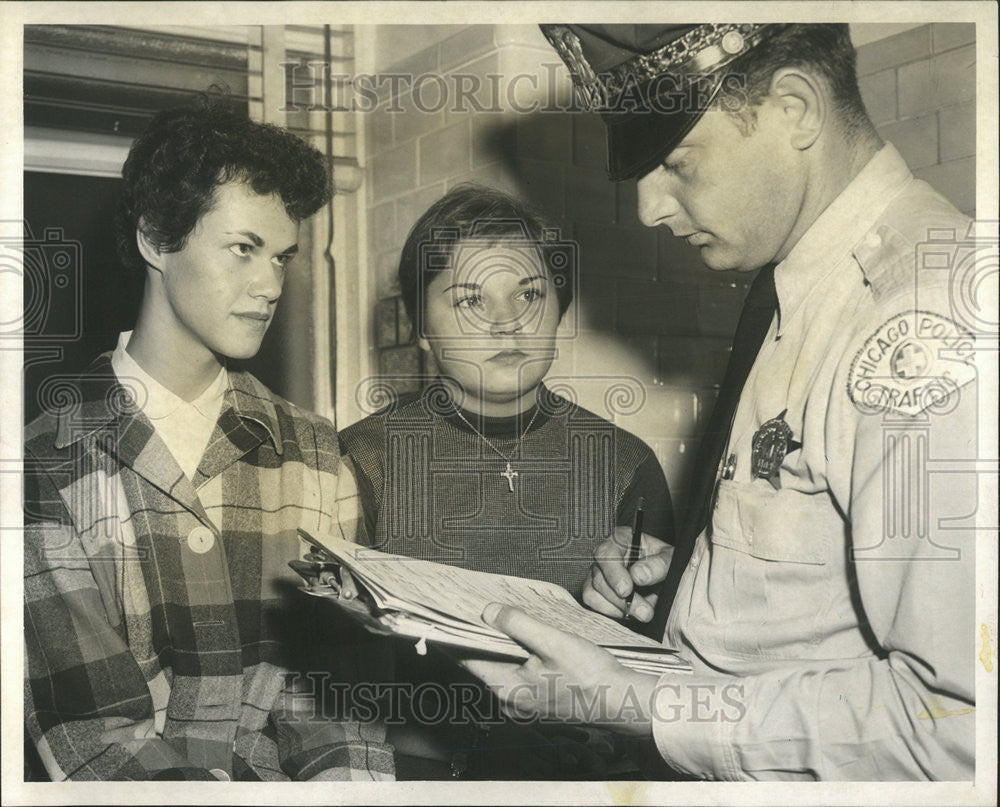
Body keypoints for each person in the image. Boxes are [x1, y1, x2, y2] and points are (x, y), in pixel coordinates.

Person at [456, 23, 981, 781]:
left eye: (676, 162)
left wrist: (638, 703)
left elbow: (958, 725)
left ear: (795, 108)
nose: (649, 207)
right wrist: (697, 578)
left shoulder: (924, 319)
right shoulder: (800, 282)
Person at [23, 97, 394, 781]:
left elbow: (339, 705)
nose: (272, 283)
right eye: (244, 249)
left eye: (283, 256)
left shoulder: (315, 450)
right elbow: (95, 736)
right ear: (155, 239)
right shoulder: (43, 463)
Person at [336, 183, 674, 778]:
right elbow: (332, 673)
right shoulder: (364, 457)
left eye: (529, 295)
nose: (505, 323)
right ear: (422, 327)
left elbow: (664, 670)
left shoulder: (625, 463)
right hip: (413, 777)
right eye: (470, 300)